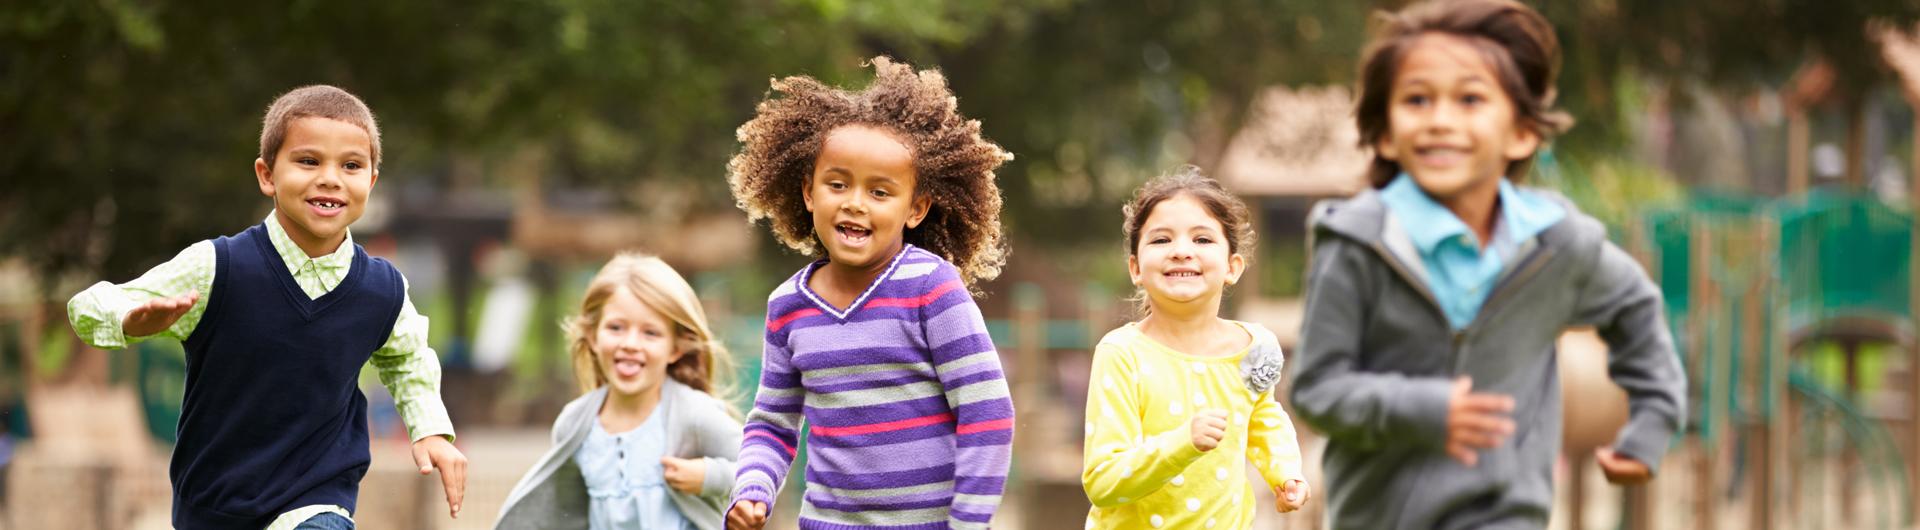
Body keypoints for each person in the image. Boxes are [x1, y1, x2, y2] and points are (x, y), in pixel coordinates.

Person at [1287, 1, 1688, 527]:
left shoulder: (1556, 245)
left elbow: (1636, 307)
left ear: (1522, 132)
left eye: (1470, 99)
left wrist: (1652, 423)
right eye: (1417, 100)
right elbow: (1317, 388)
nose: (1441, 121)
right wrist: (1424, 409)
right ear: (1386, 132)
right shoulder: (1359, 242)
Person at [66, 85, 465, 530]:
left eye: (351, 165)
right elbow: (92, 304)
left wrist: (430, 429)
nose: (331, 177)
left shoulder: (382, 290)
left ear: (370, 181)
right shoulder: (218, 267)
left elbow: (408, 358)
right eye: (309, 161)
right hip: (213, 502)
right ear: (267, 175)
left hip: (317, 499)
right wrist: (128, 319)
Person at [722, 57, 1017, 530]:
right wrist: (753, 487)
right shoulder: (788, 307)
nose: (855, 202)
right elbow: (773, 423)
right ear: (808, 192)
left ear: (916, 208)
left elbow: (987, 413)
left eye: (880, 192)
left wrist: (969, 520)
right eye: (837, 184)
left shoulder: (931, 288)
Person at [1082, 166, 1309, 529]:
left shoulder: (1254, 347)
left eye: (1202, 240)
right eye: (1161, 240)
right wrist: (1181, 442)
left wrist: (1285, 473)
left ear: (1233, 266)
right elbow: (1102, 482)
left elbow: (1264, 420)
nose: (1182, 251)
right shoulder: (1122, 354)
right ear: (1136, 268)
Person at [495, 253, 743, 530]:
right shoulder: (575, 423)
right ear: (592, 335)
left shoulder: (694, 414)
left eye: (650, 333)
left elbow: (761, 474)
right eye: (616, 327)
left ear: (675, 348)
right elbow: (565, 513)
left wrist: (709, 476)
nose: (630, 343)